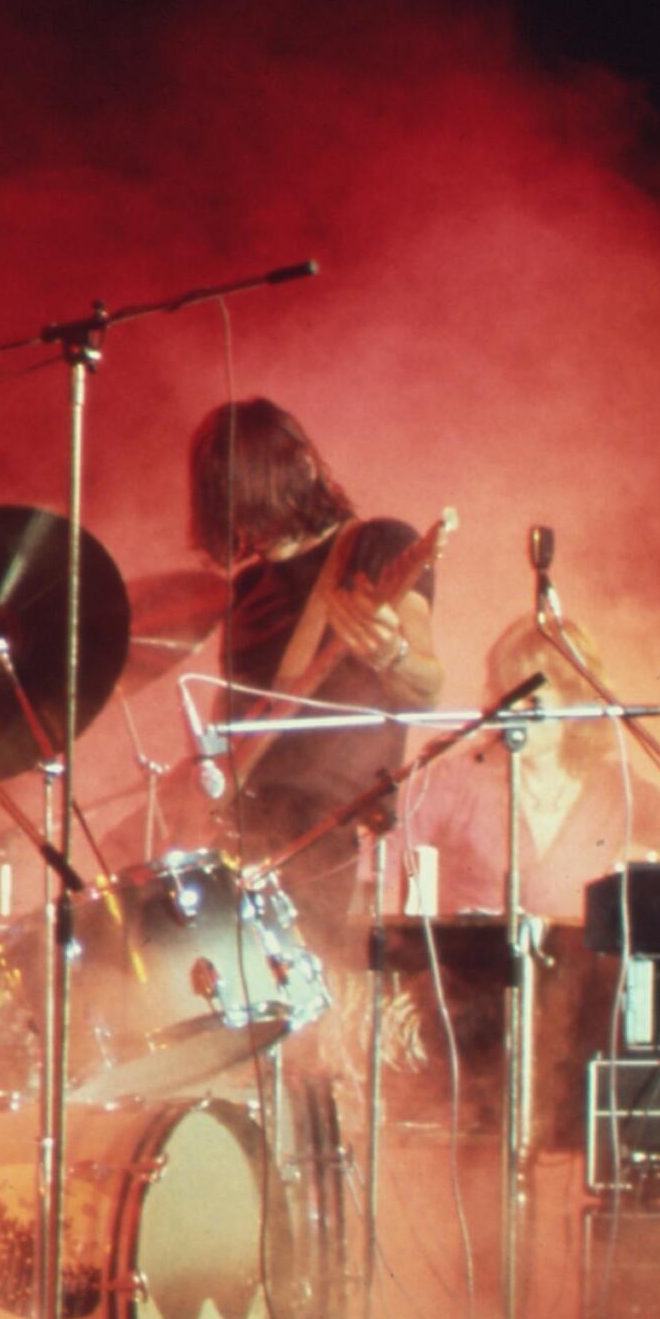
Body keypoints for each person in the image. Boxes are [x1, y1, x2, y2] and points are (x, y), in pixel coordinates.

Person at [188, 397, 444, 942]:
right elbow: (229, 714)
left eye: (257, 498)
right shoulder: (245, 590)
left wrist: (390, 655)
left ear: (302, 467)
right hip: (238, 833)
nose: (249, 525)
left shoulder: (376, 546)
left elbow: (426, 690)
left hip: (325, 831)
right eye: (230, 505)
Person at [405, 614, 660, 921]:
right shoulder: (454, 779)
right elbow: (377, 860)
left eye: (533, 701)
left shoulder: (613, 790)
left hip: (576, 980)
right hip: (461, 978)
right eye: (507, 696)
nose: (515, 711)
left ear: (575, 703)